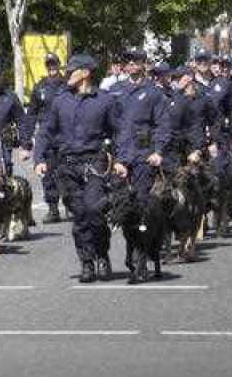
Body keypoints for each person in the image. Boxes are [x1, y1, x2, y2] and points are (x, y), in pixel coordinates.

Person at [33, 54, 126, 283]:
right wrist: (39, 159)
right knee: (80, 215)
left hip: (94, 162)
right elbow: (46, 131)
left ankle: (102, 255)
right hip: (68, 165)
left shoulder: (105, 100)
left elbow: (119, 132)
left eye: (71, 71)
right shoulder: (60, 100)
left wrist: (122, 160)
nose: (66, 75)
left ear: (85, 73)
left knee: (94, 210)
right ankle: (86, 262)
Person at [112, 51, 169, 284]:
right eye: (128, 62)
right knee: (123, 209)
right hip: (120, 158)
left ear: (144, 65)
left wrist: (158, 151)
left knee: (143, 208)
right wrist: (112, 157)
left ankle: (142, 258)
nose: (132, 65)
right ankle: (130, 253)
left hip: (144, 156)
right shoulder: (115, 91)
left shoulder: (154, 92)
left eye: (136, 61)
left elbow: (163, 123)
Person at [24, 52, 68, 223]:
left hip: (64, 133)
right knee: (48, 172)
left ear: (59, 65)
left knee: (66, 170)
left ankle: (70, 202)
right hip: (47, 134)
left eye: (54, 64)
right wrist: (26, 141)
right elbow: (31, 114)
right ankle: (53, 209)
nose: (52, 67)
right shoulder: (39, 87)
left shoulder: (67, 85)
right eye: (49, 64)